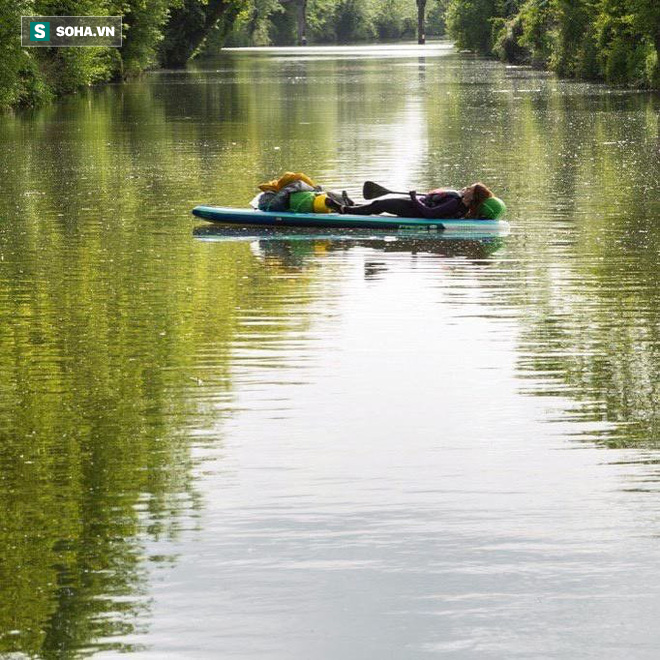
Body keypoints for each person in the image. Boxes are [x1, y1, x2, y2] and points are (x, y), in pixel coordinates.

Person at [328, 182, 506, 220]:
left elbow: (429, 214)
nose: (465, 188)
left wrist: (414, 198)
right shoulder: (462, 207)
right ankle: (351, 206)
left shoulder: (455, 204)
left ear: (472, 196)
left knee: (379, 205)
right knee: (377, 205)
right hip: (417, 204)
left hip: (414, 209)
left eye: (469, 189)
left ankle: (343, 210)